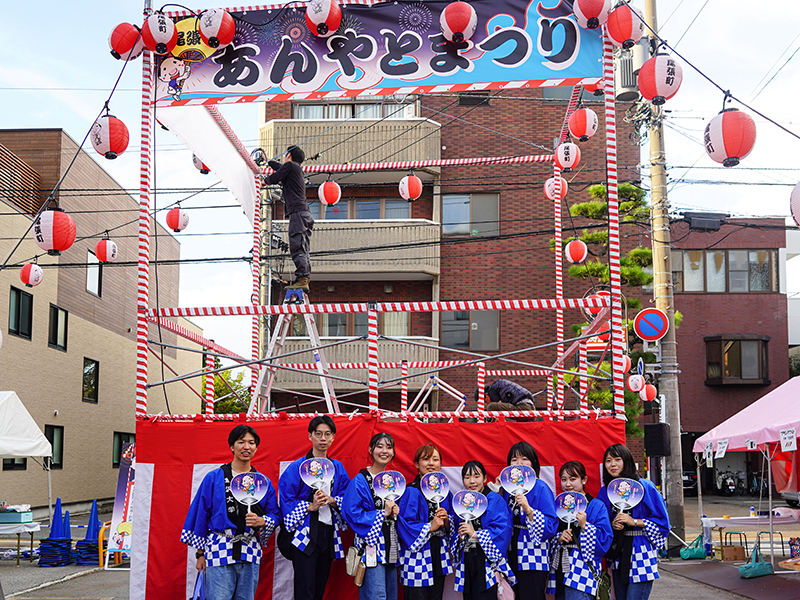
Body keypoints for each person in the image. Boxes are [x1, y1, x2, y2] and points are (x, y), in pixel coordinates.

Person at [181, 425, 280, 600]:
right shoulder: (214, 478)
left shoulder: (262, 482)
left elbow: (275, 514)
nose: (246, 447)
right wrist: (200, 554)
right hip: (220, 547)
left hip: (250, 549)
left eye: (251, 443)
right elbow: (201, 515)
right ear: (232, 446)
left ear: (256, 447)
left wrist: (262, 521)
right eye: (241, 442)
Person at [278, 415, 351, 600]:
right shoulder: (297, 467)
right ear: (310, 436)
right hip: (304, 534)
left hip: (327, 533)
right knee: (305, 589)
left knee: (320, 588)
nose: (323, 439)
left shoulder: (338, 468)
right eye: (318, 434)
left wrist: (332, 500)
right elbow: (286, 498)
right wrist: (310, 506)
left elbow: (348, 499)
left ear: (334, 437)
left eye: (327, 434)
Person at [597, 444, 670, 600]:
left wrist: (635, 521)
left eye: (617, 459)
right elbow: (600, 521)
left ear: (627, 461)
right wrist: (611, 524)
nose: (612, 464)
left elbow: (663, 523)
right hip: (617, 554)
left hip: (640, 552)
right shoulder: (605, 491)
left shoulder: (645, 486)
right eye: (608, 460)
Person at [342, 432, 401, 600]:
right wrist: (383, 513)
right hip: (371, 546)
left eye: (389, 447)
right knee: (377, 595)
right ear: (370, 450)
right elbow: (352, 514)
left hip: (391, 545)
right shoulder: (360, 480)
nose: (384, 451)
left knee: (391, 594)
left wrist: (396, 512)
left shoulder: (394, 480)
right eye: (379, 446)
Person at [500, 441, 558, 600]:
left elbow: (551, 524)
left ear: (533, 463)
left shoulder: (540, 487)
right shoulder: (506, 490)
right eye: (514, 460)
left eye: (524, 459)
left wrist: (528, 509)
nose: (519, 464)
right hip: (510, 551)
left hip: (533, 554)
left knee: (531, 595)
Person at [547, 461, 612, 600]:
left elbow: (605, 538)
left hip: (583, 570)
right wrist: (559, 537)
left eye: (573, 479)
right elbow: (548, 533)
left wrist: (585, 526)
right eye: (563, 479)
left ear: (584, 480)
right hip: (560, 566)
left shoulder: (595, 505)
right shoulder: (557, 505)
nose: (567, 484)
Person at [452, 460, 515, 600]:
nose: (472, 481)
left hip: (486, 561)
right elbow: (455, 530)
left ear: (485, 478)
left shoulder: (494, 499)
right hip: (467, 559)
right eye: (467, 477)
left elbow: (502, 530)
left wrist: (475, 534)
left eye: (476, 476)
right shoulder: (462, 501)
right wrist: (460, 536)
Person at [397, 444, 454, 600]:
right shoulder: (411, 491)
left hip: (439, 552)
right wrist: (430, 526)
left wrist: (447, 520)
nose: (431, 463)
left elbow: (454, 521)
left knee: (436, 596)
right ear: (416, 464)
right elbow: (404, 525)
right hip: (417, 555)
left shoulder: (444, 492)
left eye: (435, 459)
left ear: (440, 464)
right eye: (426, 459)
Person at [266, 146, 313, 293]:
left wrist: (264, 182)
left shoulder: (290, 166)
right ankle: (303, 278)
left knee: (297, 246)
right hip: (305, 214)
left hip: (298, 214)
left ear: (289, 155)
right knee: (303, 248)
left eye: (285, 154)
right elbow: (280, 169)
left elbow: (278, 175)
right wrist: (269, 162)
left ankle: (302, 280)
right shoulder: (295, 169)